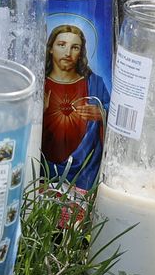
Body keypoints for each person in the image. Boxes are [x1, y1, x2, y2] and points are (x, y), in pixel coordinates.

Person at [41, 23, 108, 188]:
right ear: (50, 48)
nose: (67, 53)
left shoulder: (94, 83)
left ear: (81, 53)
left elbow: (114, 116)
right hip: (40, 168)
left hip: (84, 172)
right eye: (61, 45)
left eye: (75, 47)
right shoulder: (37, 82)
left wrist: (102, 113)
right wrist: (36, 111)